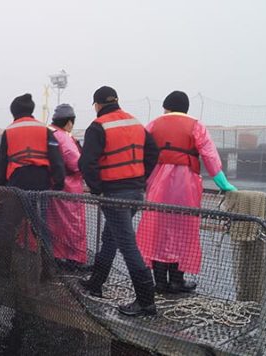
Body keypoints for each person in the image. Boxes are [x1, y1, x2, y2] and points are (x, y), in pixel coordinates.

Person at [136, 91, 237, 294]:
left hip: (157, 183)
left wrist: (139, 181)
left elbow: (140, 152)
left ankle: (160, 283)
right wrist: (225, 185)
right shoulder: (196, 125)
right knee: (184, 230)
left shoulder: (154, 124)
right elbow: (210, 156)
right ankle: (176, 281)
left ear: (167, 106)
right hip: (186, 185)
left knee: (156, 231)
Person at [78, 86, 160, 317]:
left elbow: (86, 163)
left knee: (127, 245)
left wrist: (97, 190)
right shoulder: (135, 122)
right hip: (134, 193)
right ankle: (96, 282)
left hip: (113, 193)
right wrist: (141, 179)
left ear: (97, 104)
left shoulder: (98, 126)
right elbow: (153, 153)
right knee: (110, 237)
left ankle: (146, 301)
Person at [46, 104, 88, 269]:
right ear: (69, 122)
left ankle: (56, 256)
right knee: (72, 224)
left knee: (54, 224)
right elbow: (77, 163)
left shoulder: (49, 133)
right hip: (69, 188)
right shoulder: (64, 138)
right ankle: (74, 259)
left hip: (52, 186)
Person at [0, 93, 65, 191]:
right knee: (40, 206)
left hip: (17, 179)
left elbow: (2, 162)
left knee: (19, 206)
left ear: (14, 112)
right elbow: (56, 159)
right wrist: (59, 184)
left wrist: (1, 184)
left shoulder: (8, 131)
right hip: (41, 179)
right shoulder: (45, 130)